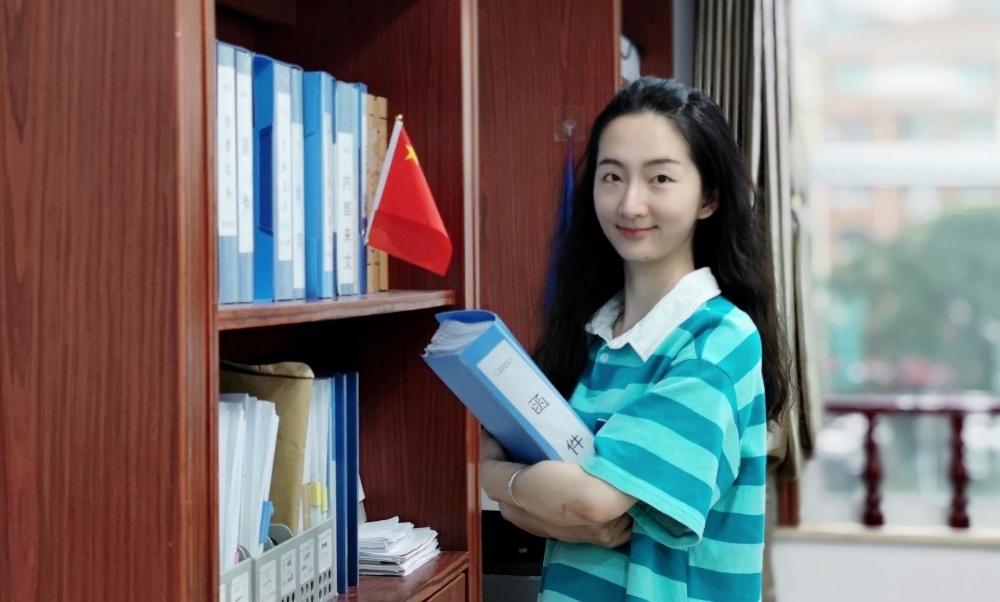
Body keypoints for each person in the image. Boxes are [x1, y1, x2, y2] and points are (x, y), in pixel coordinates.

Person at [479, 77, 791, 601]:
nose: (630, 204)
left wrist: (493, 476)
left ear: (709, 197)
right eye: (612, 176)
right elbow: (564, 508)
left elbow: (591, 504)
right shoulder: (590, 336)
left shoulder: (717, 341)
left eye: (660, 178)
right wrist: (536, 500)